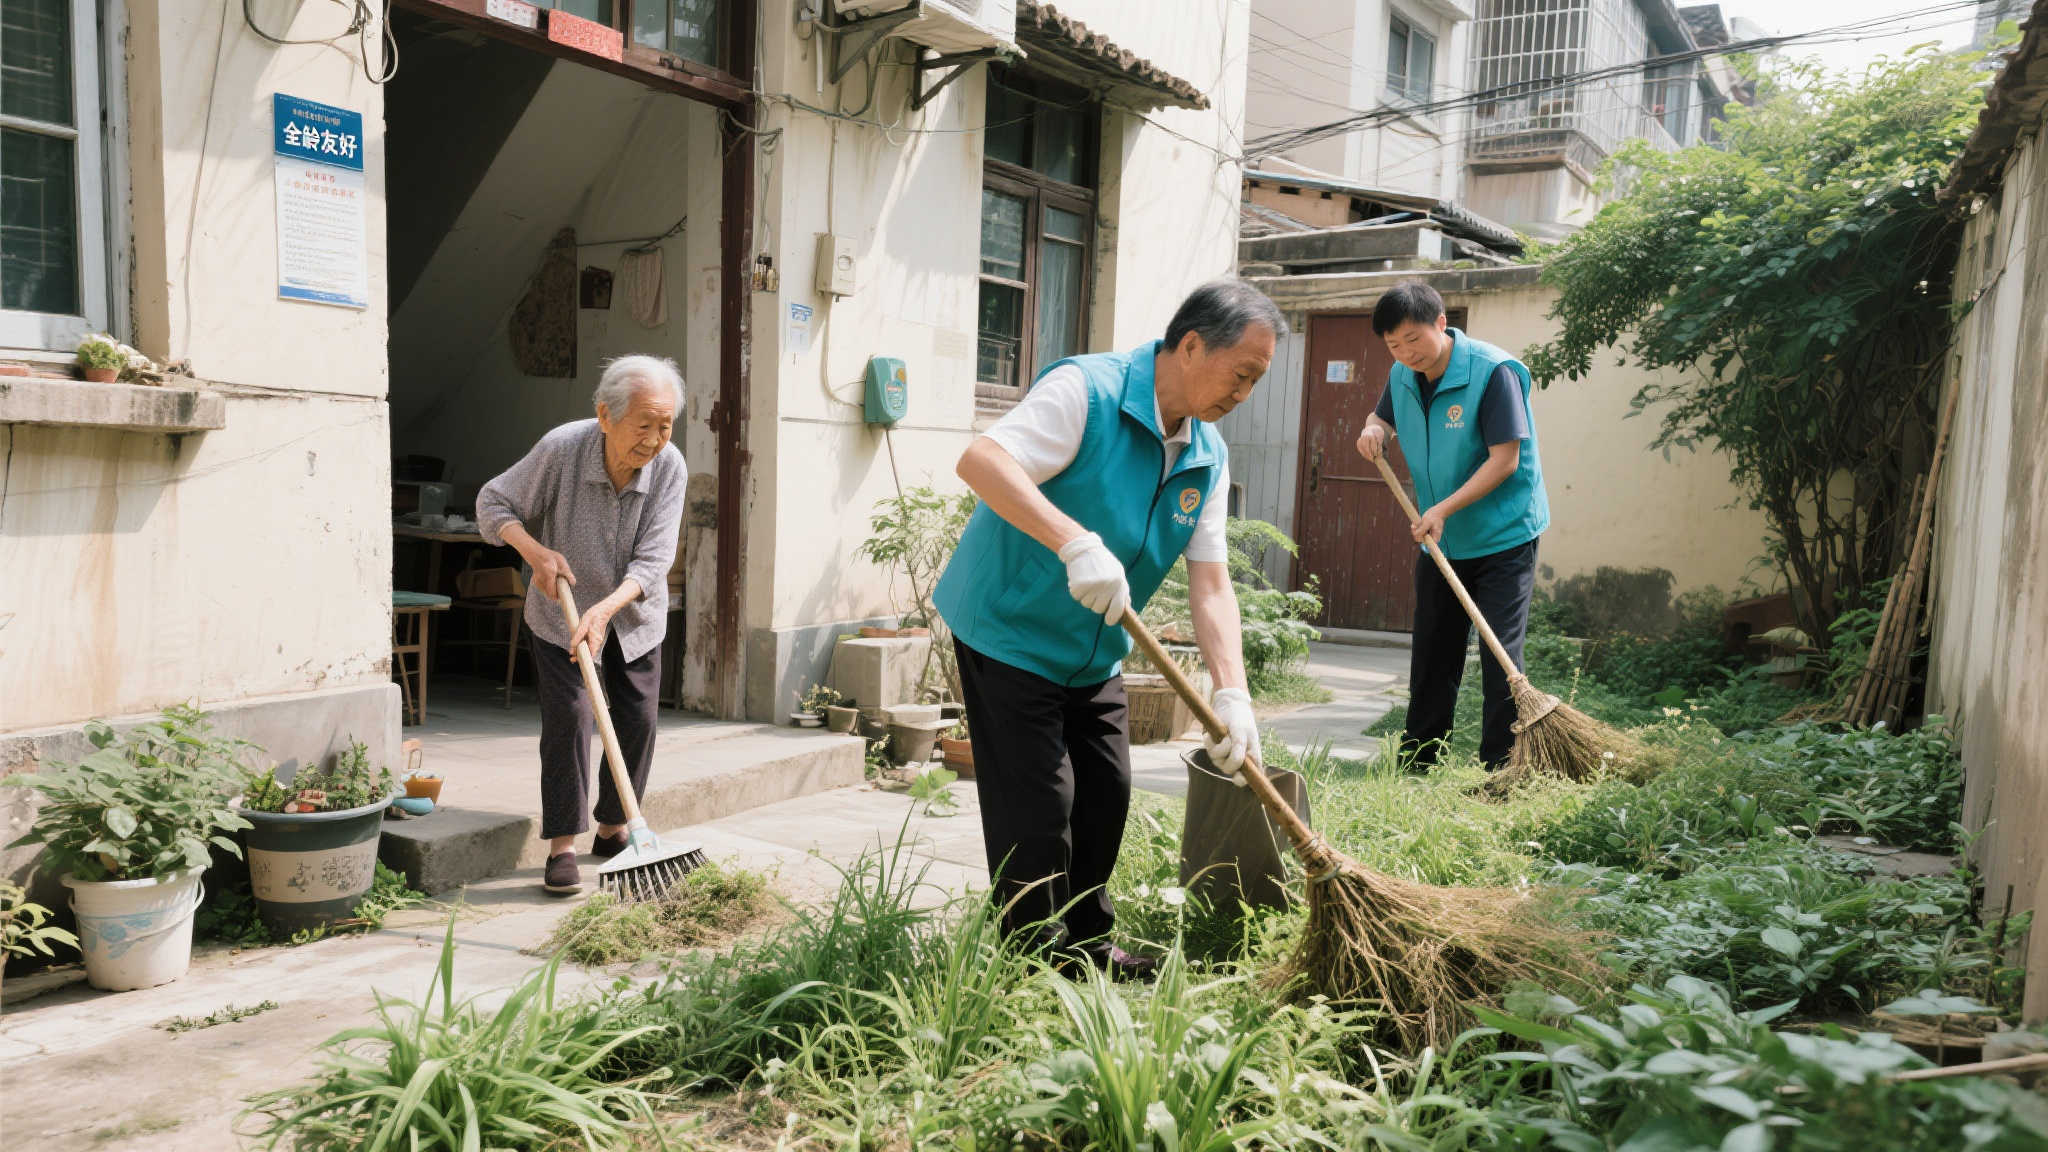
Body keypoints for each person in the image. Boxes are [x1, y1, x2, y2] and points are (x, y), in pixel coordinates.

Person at [934, 279, 1285, 979]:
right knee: (1040, 808)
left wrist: (1233, 693)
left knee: (1106, 796)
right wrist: (1070, 541)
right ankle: (1032, 968)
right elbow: (982, 460)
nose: (1243, 393)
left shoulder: (1207, 456)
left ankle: (1087, 947)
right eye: (1240, 374)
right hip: (1008, 629)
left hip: (1093, 651)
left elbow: (1211, 583)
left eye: (1256, 381)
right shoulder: (1088, 392)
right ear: (1190, 346)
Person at [476, 355, 687, 895]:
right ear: (605, 416)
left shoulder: (670, 467)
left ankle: (614, 830)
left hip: (633, 612)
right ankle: (563, 845)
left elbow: (655, 558)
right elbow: (492, 501)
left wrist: (606, 609)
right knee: (570, 719)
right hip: (560, 612)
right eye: (644, 425)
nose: (655, 439)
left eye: (665, 426)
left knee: (638, 719)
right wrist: (534, 551)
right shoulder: (561, 450)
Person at [1354, 281, 1549, 773]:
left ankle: (1500, 769)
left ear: (1442, 324)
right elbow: (1383, 418)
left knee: (1498, 655)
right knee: (1433, 653)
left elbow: (1505, 460)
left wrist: (1442, 508)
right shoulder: (1402, 374)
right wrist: (1373, 430)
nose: (1405, 353)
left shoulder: (1493, 373)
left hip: (1504, 537)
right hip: (1441, 541)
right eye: (1394, 345)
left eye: (1413, 339)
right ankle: (1419, 762)